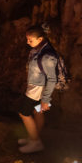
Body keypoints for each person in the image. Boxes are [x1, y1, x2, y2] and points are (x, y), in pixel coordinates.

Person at [17, 25, 58, 154]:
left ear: (40, 39)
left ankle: (35, 142)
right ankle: (34, 137)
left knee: (23, 113)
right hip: (36, 86)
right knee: (37, 112)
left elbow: (52, 79)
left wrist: (45, 99)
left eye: (30, 40)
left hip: (37, 89)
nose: (27, 42)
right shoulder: (38, 49)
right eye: (27, 39)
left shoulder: (47, 56)